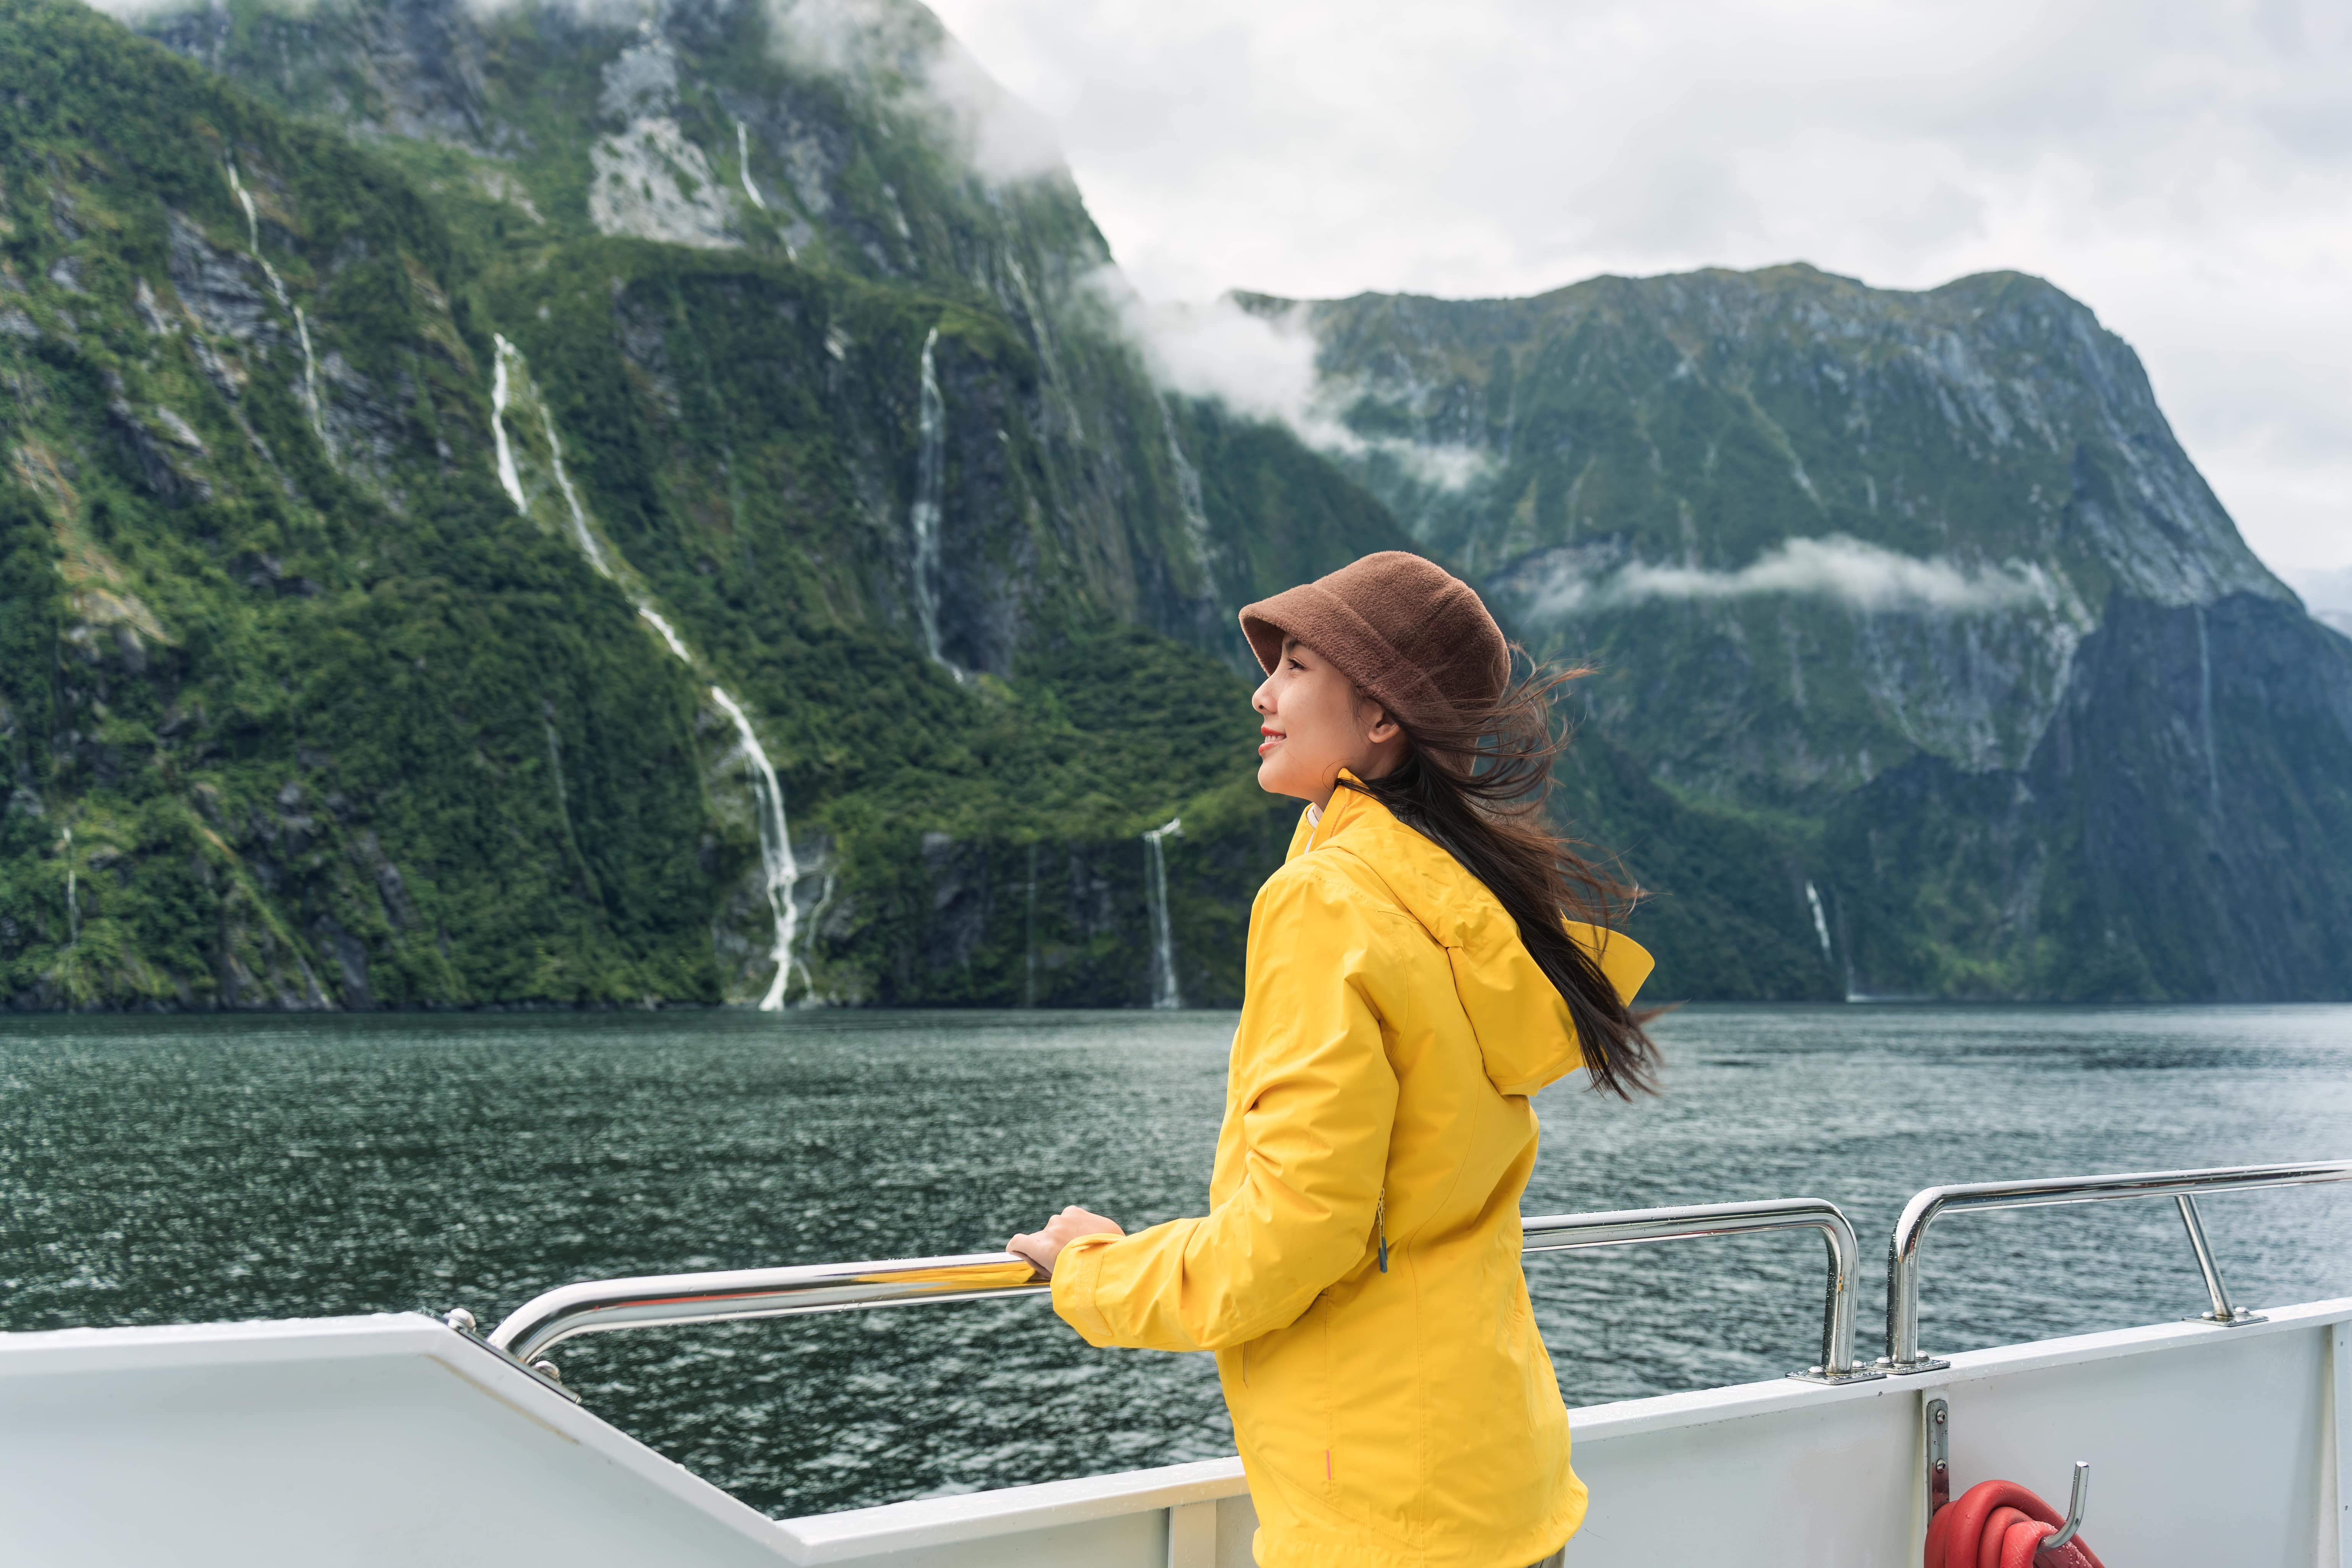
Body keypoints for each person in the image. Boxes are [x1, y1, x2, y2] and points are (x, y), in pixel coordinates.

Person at [1008, 551, 1660, 1568]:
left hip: (1382, 1516)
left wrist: (1093, 1272)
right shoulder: (1456, 904)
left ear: (1382, 718)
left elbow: (1293, 1238)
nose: (1262, 692)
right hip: (1499, 1483)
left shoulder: (1329, 904)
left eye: (1298, 665)